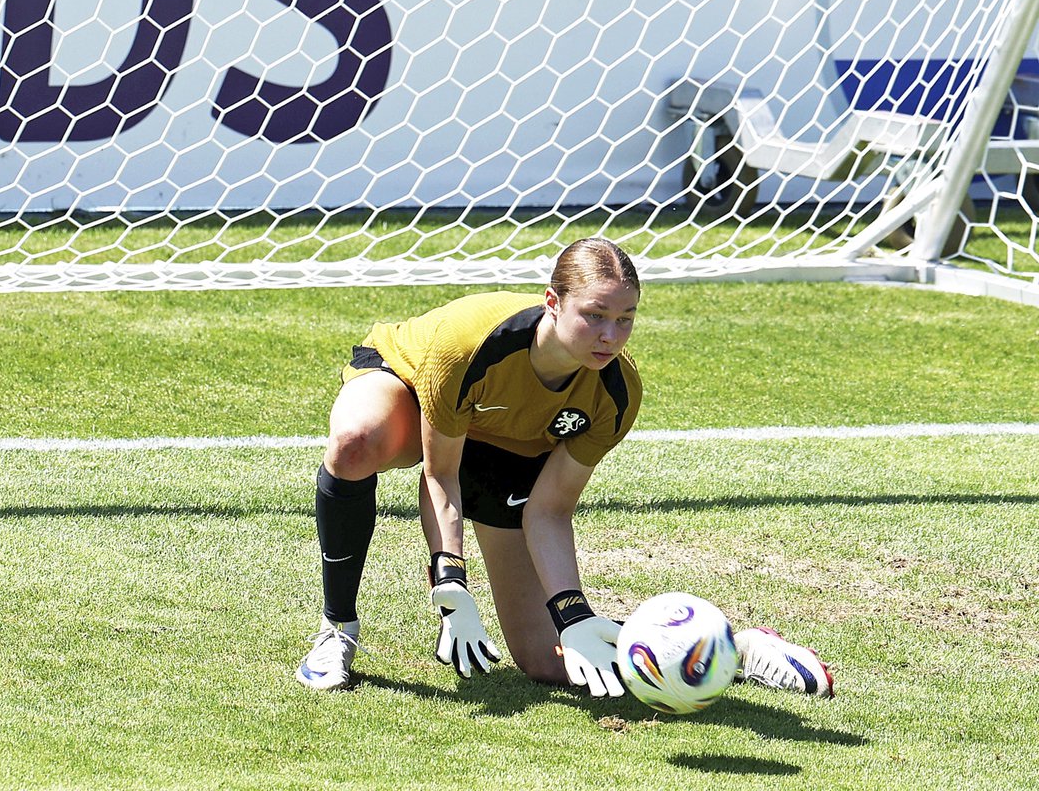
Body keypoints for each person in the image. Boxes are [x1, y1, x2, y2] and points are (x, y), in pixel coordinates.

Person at [295, 237, 834, 699]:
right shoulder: (468, 348)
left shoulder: (616, 394)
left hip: (507, 447)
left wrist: (572, 615)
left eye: (625, 320)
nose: (610, 336)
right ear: (553, 302)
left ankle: (733, 649)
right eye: (595, 315)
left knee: (549, 662)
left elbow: (549, 511)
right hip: (413, 388)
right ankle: (337, 628)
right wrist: (451, 581)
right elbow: (441, 476)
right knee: (355, 443)